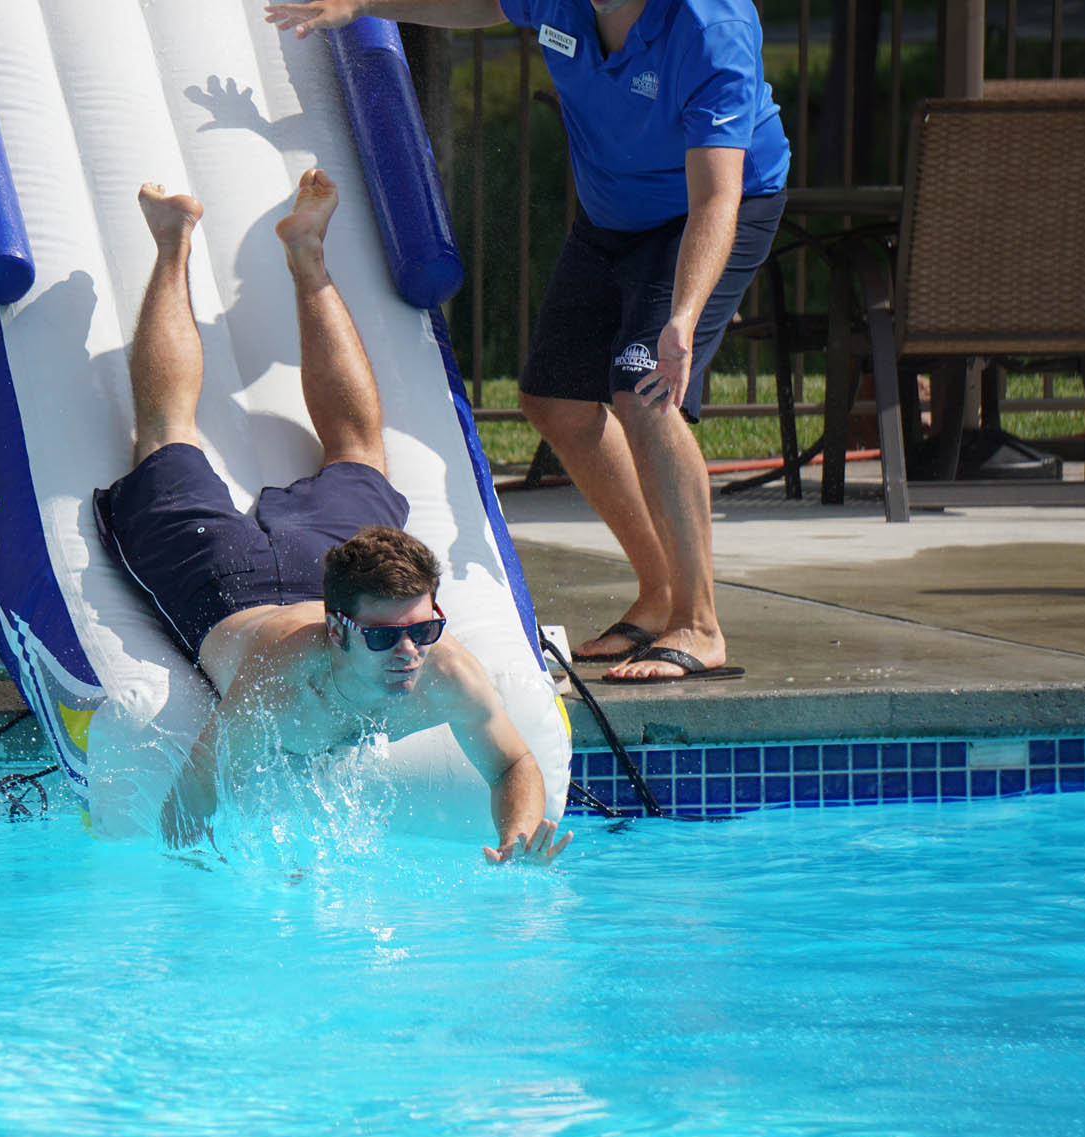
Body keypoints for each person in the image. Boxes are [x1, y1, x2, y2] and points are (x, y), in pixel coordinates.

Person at [267, 0, 789, 683]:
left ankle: (701, 623)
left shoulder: (709, 27)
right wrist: (363, 5)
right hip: (613, 213)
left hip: (711, 209)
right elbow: (478, 4)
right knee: (556, 401)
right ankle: (660, 593)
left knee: (644, 390)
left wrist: (683, 317)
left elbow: (717, 198)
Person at [93, 169, 570, 864]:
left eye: (426, 629)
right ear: (338, 629)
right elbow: (194, 795)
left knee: (360, 454)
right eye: (388, 640)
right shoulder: (278, 691)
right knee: (165, 437)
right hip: (226, 583)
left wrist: (516, 833)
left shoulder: (445, 668)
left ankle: (307, 252)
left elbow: (512, 767)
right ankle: (173, 241)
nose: (412, 653)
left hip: (325, 554)